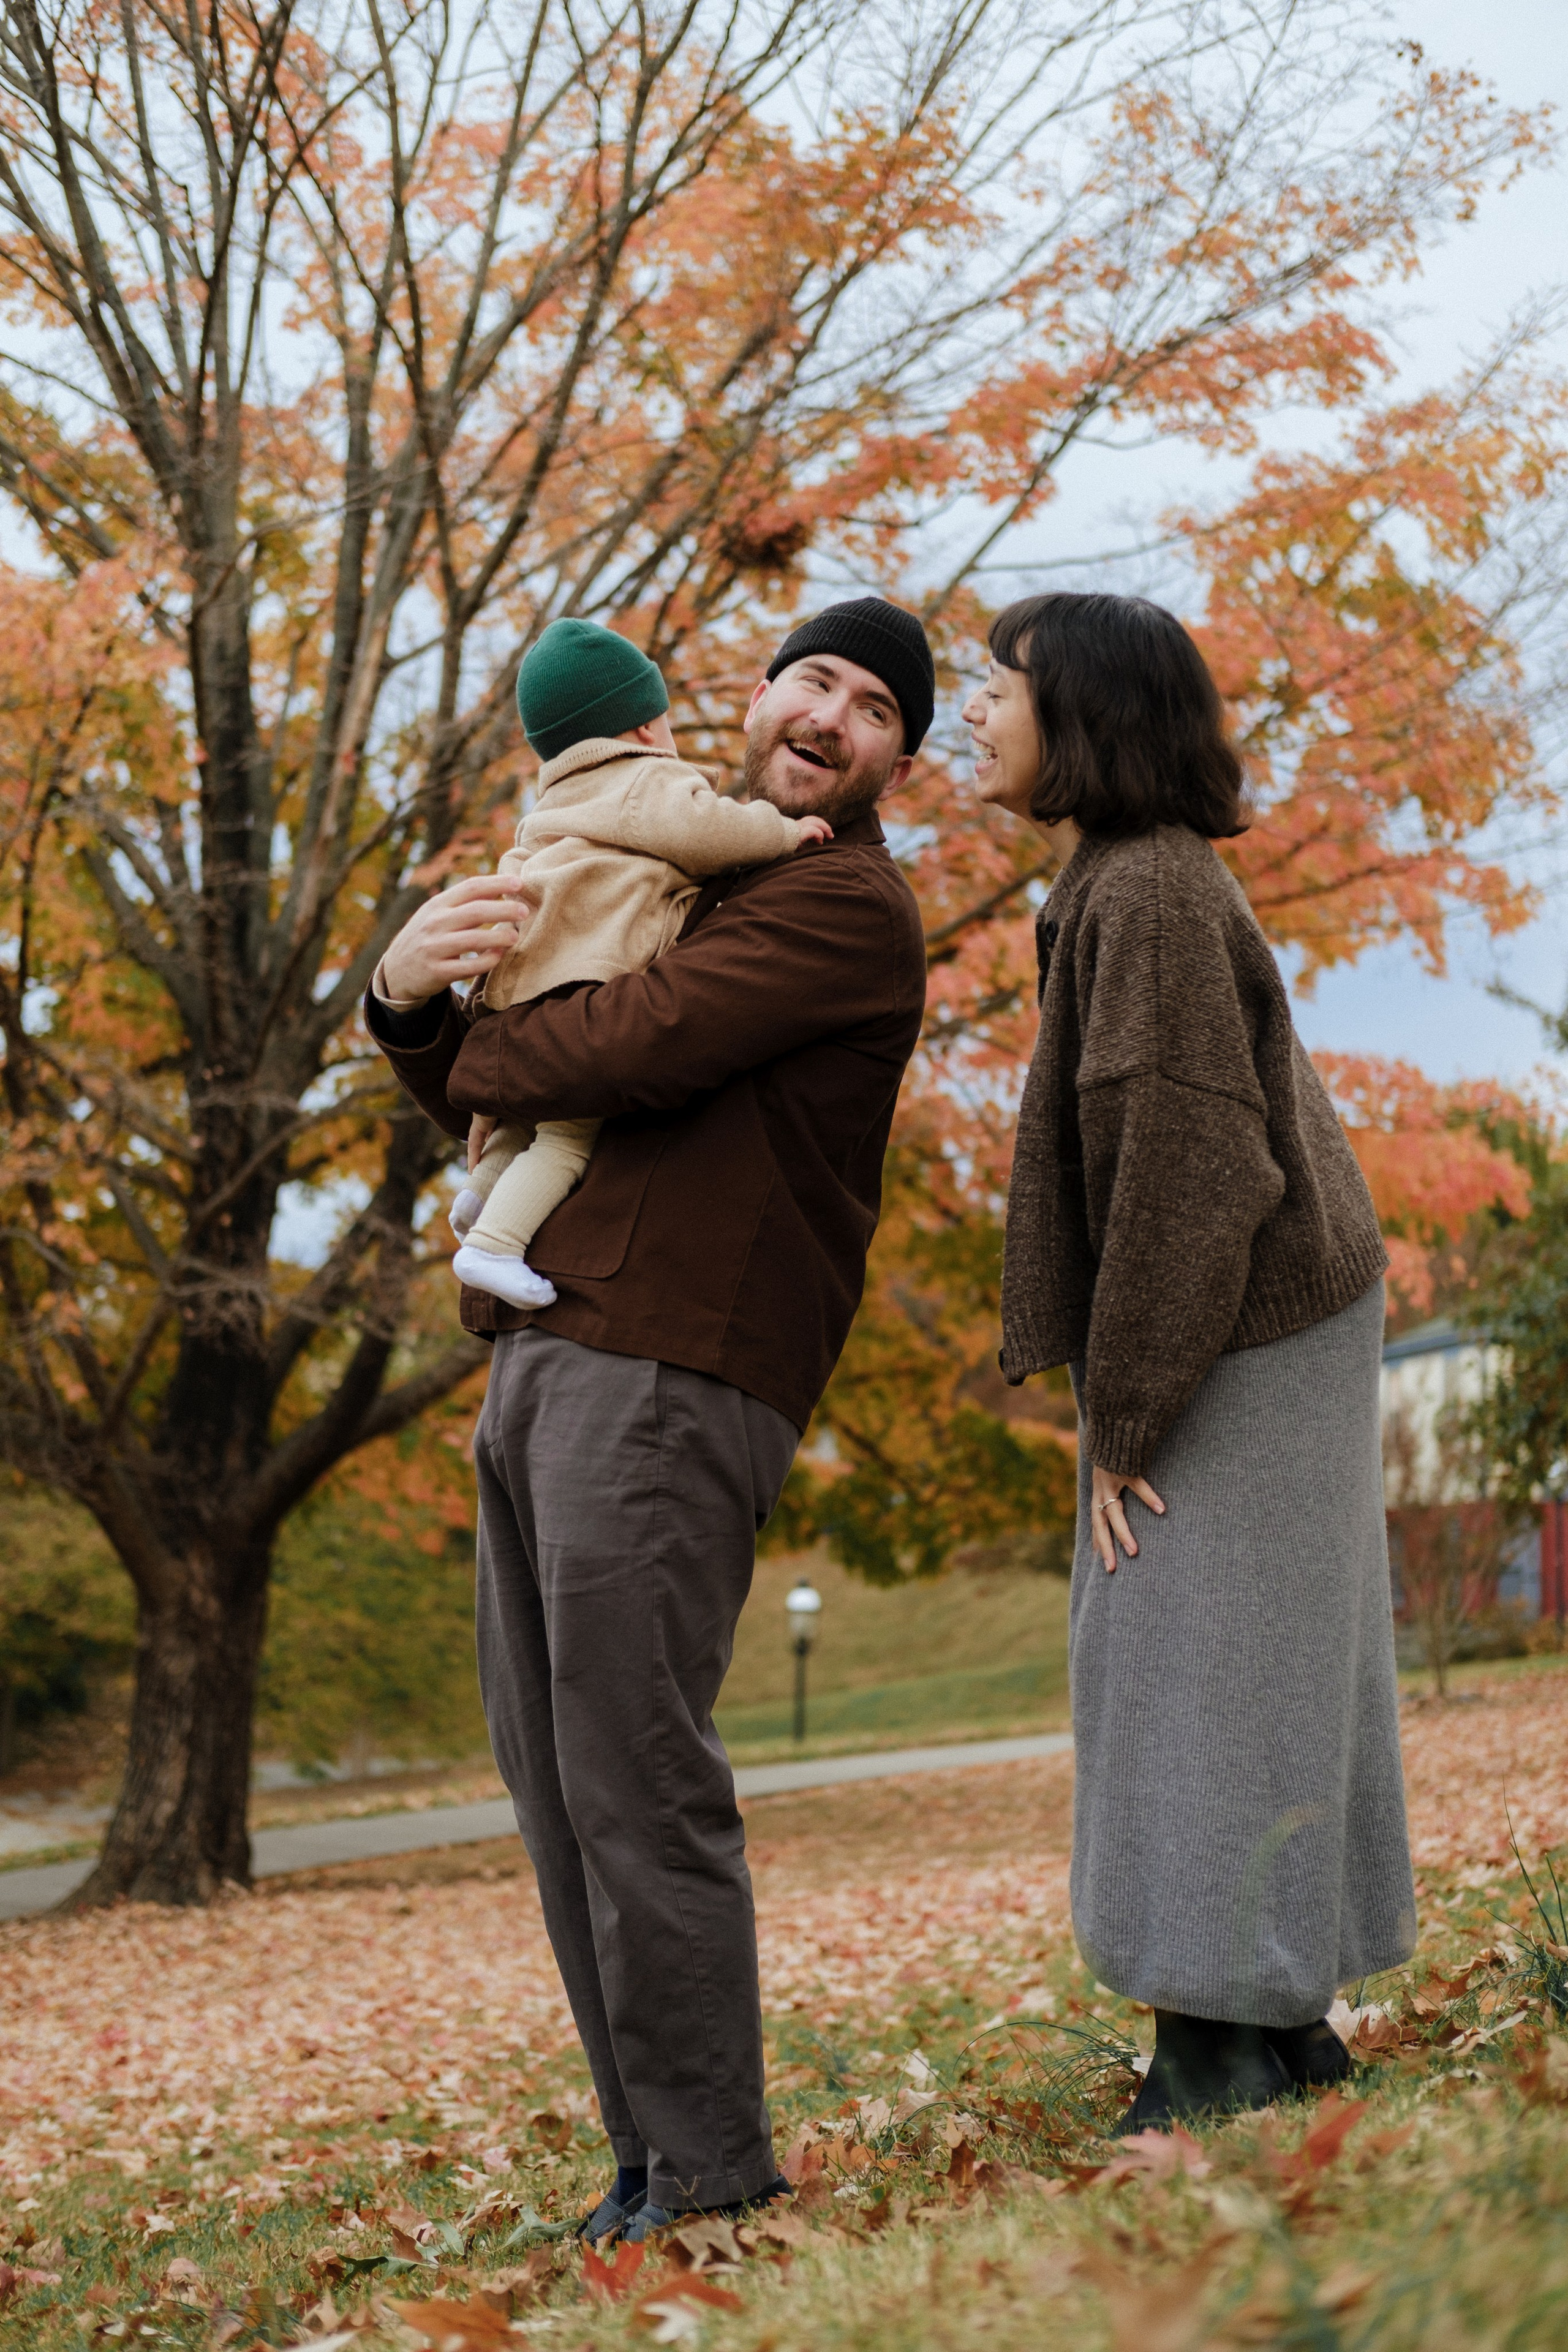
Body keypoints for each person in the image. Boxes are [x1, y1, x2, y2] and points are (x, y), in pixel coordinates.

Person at [368, 598, 932, 2234]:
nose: (834, 715)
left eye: (879, 707)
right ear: (750, 701)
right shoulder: (674, 875)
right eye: (815, 679)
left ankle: (709, 2170)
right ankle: (644, 2155)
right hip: (549, 1348)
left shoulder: (840, 900)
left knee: (635, 1775)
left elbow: (628, 1046)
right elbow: (534, 1067)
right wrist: (413, 1008)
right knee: (554, 1783)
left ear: (894, 760)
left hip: (677, 1368)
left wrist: (430, 1016)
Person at [966, 590, 1414, 2131]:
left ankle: (1219, 2052)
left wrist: (1127, 1420)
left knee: (1189, 1669)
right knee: (1240, 1662)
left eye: (998, 687)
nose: (976, 712)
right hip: (1254, 1313)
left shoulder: (1145, 891)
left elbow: (1187, 1168)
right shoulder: (1118, 878)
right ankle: (1278, 2027)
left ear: (1079, 712)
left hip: (1244, 1323)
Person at [439, 617, 829, 1310]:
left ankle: (478, 1193)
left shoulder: (554, 803)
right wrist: (783, 830)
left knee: (526, 1119)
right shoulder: (645, 780)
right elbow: (707, 831)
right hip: (583, 981)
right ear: (645, 728)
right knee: (568, 1134)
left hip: (522, 980)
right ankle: (495, 1242)